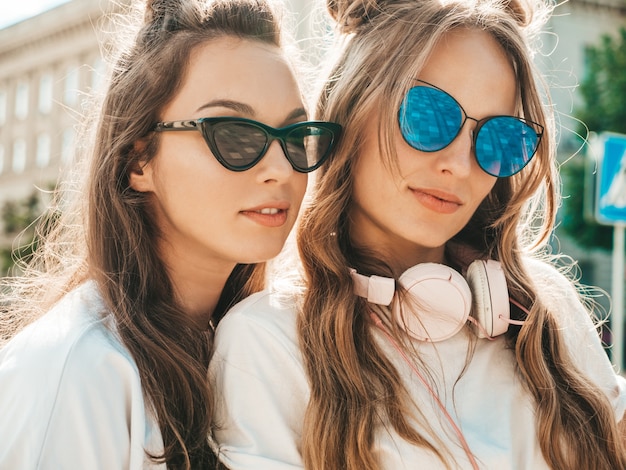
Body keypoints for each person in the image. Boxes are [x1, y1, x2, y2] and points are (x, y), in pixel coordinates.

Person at [209, 0, 626, 468]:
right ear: (351, 104)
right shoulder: (267, 344)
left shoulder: (545, 313)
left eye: (500, 138)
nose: (460, 164)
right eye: (429, 116)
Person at [0, 0, 341, 468]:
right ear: (139, 160)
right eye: (234, 134)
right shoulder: (80, 370)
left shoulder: (258, 346)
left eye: (296, 135)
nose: (281, 169)